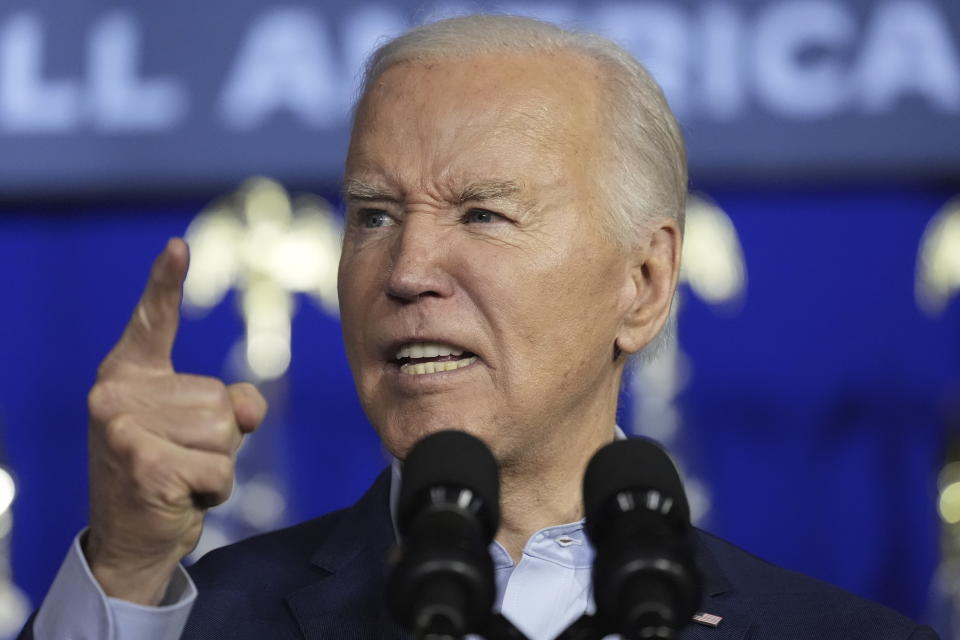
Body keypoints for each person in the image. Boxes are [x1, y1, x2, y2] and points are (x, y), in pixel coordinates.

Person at [20, 14, 937, 640]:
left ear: (645, 281)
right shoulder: (190, 622)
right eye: (373, 214)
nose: (407, 272)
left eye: (483, 215)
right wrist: (132, 564)